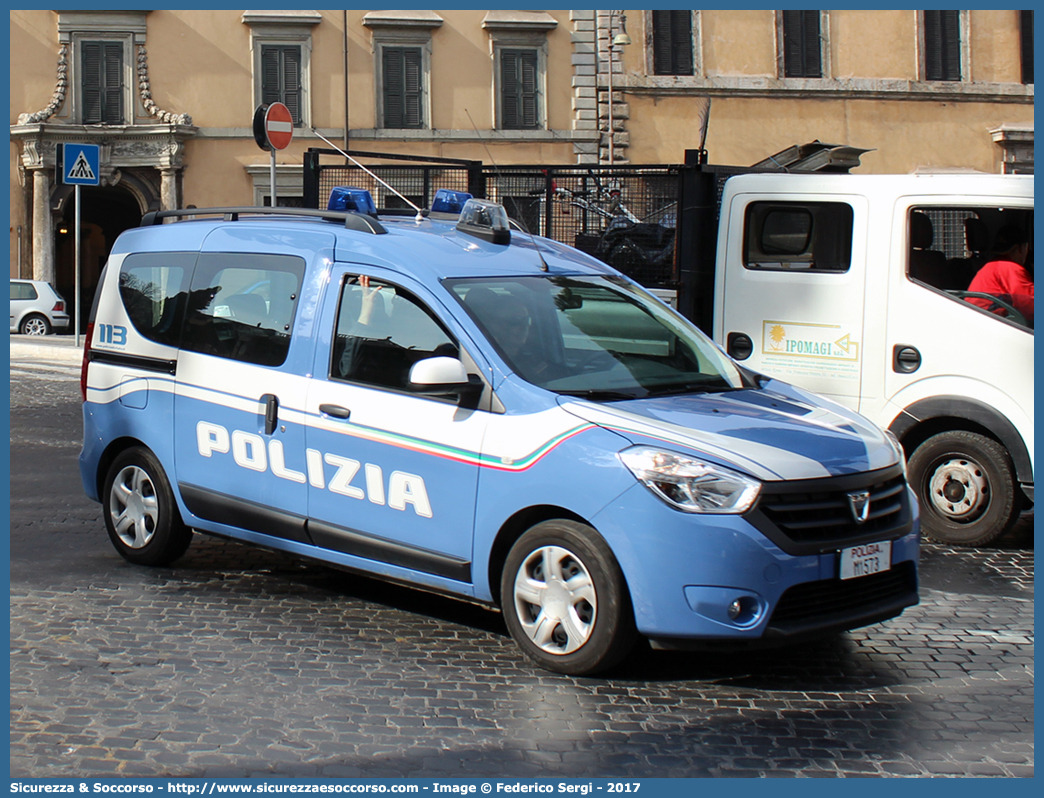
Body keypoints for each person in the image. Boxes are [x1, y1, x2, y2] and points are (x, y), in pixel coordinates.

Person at [965, 224, 1033, 325]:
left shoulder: (993, 265)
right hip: (989, 323)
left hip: (983, 321)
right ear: (1022, 248)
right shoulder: (1009, 268)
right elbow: (1029, 305)